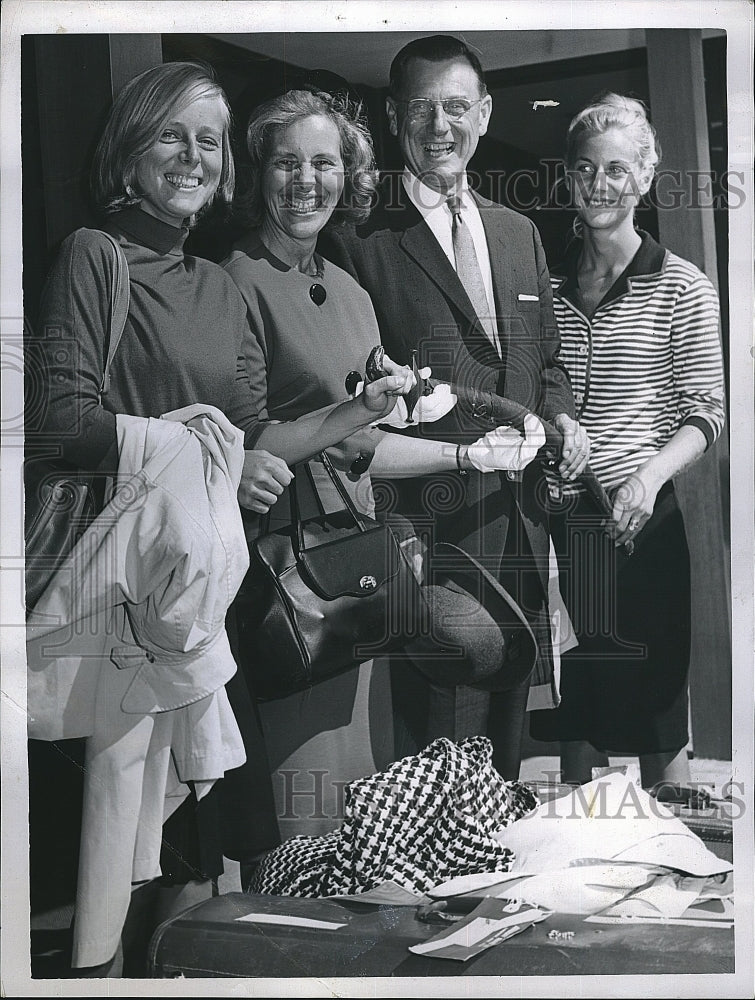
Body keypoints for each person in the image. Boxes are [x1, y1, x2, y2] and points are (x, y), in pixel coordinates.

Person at [24, 60, 415, 974]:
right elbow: (55, 419)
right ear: (129, 147)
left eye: (208, 139)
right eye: (172, 134)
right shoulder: (95, 253)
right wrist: (201, 459)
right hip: (119, 594)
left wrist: (360, 410)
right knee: (113, 834)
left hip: (204, 596)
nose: (192, 155)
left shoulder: (214, 282)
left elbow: (255, 433)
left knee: (195, 835)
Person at [223, 85, 548, 832]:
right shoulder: (233, 279)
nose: (306, 180)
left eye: (324, 163)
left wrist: (468, 455)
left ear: (347, 176)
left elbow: (360, 447)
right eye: (286, 162)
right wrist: (356, 416)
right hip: (282, 573)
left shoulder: (346, 289)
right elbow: (249, 438)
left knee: (353, 807)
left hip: (359, 572)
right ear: (259, 171)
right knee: (292, 814)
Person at [321, 34, 589, 778]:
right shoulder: (356, 241)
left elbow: (549, 364)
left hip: (522, 528)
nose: (440, 126)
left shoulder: (518, 233)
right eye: (421, 109)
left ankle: (492, 888)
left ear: (484, 114)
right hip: (427, 534)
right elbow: (357, 404)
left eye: (456, 108)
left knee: (503, 756)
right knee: (437, 754)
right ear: (392, 116)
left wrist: (562, 418)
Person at [529, 93, 726, 788]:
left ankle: (675, 873)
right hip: (562, 531)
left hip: (641, 526)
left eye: (617, 170)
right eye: (585, 170)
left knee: (656, 713)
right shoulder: (542, 288)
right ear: (567, 178)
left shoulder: (683, 287)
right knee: (578, 708)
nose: (599, 185)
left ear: (644, 177)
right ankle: (584, 875)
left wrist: (645, 478)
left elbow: (706, 412)